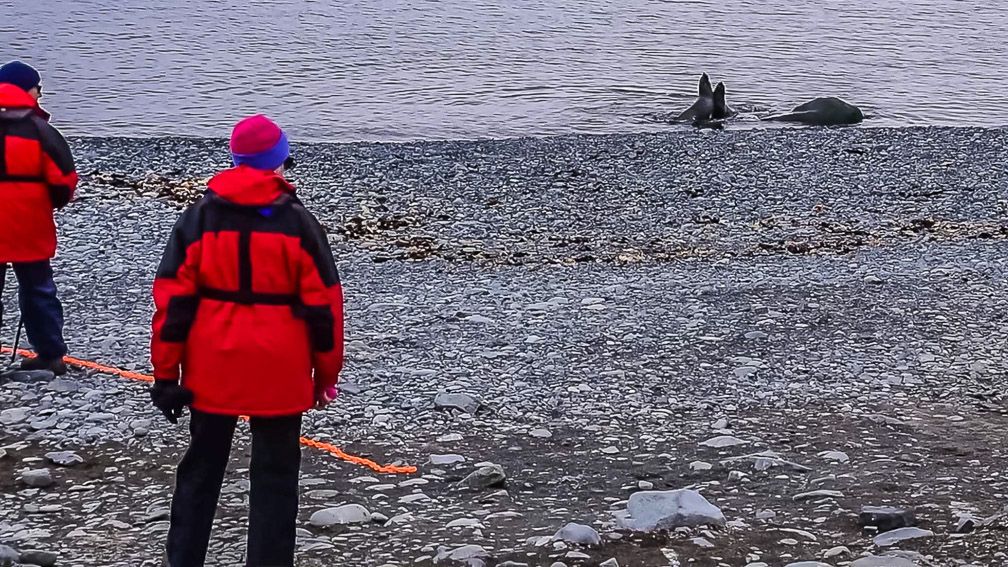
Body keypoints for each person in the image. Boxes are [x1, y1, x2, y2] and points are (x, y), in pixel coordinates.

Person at [149, 115, 344, 566]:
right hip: (280, 365)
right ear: (279, 162)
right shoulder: (298, 222)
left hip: (211, 362)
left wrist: (165, 375)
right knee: (276, 478)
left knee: (200, 470)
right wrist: (325, 375)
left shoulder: (198, 217)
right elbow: (326, 307)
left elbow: (171, 304)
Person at [0, 60, 77, 375]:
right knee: (38, 290)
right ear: (27, 90)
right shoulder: (41, 131)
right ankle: (49, 354)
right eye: (38, 88)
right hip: (28, 224)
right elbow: (64, 181)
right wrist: (52, 203)